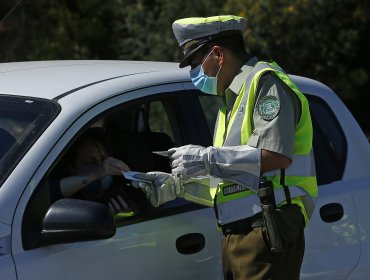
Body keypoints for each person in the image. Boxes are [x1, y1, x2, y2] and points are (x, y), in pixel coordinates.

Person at [134, 15, 318, 279]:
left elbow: (275, 156)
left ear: (218, 54)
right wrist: (179, 187)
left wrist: (206, 158)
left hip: (268, 227)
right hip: (239, 234)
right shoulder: (228, 103)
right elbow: (233, 184)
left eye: (197, 63)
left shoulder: (266, 83)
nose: (196, 74)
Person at [51, 127, 137, 215]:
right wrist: (94, 175)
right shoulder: (66, 205)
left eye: (104, 158)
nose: (103, 167)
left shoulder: (122, 193)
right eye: (90, 162)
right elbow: (50, 193)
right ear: (71, 168)